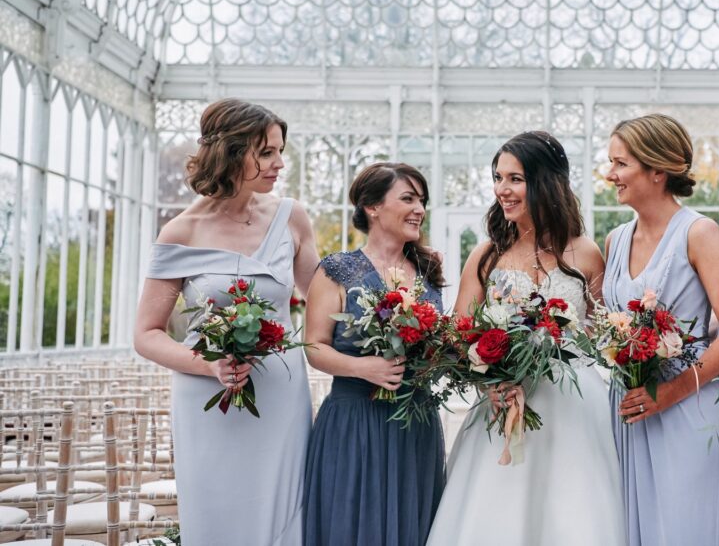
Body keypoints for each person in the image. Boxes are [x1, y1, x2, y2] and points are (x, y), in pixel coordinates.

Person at [426, 131, 625, 546]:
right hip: (503, 404)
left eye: (515, 179)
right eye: (498, 178)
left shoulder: (586, 253)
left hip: (576, 410)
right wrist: (491, 382)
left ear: (545, 183)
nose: (502, 189)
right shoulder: (487, 255)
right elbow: (458, 335)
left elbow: (607, 335)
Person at [134, 99, 318, 546]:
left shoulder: (290, 216)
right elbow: (146, 334)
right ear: (235, 153)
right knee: (217, 515)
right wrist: (208, 365)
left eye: (280, 150)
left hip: (280, 394)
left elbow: (323, 296)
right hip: (209, 399)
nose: (279, 163)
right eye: (267, 152)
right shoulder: (181, 231)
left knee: (285, 510)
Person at [603, 114, 719, 546]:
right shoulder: (615, 240)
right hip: (630, 409)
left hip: (687, 408)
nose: (610, 174)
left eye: (620, 163)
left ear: (657, 169)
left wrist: (668, 393)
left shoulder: (700, 232)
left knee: (684, 530)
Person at [303, 162, 445, 546]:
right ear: (372, 207)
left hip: (415, 422)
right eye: (408, 198)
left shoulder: (428, 270)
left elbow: (439, 342)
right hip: (354, 422)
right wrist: (363, 367)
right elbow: (313, 346)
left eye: (423, 201)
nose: (420, 209)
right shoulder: (336, 270)